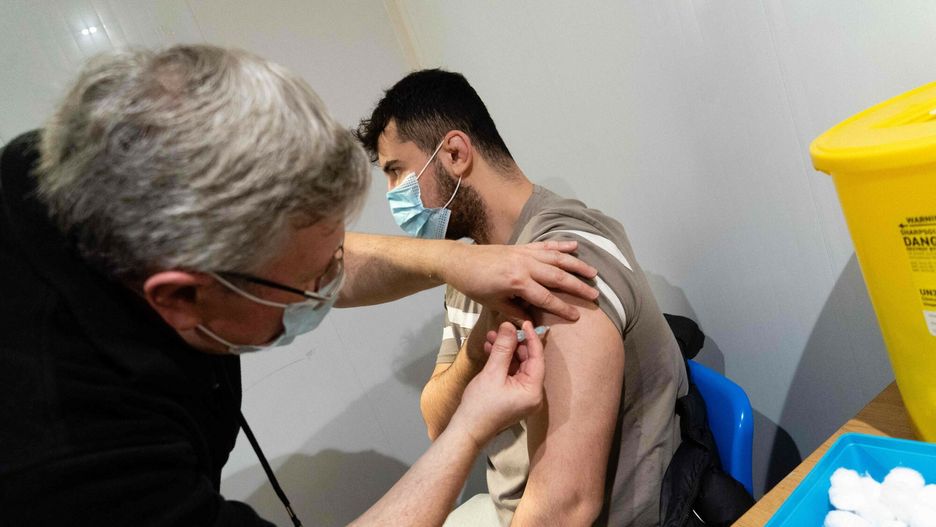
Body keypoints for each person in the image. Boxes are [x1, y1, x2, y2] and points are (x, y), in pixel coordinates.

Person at [0, 45, 602, 526]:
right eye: (311, 283)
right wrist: (469, 426)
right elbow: (449, 427)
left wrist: (449, 261)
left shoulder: (78, 164)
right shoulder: (69, 456)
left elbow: (567, 502)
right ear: (181, 296)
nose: (330, 286)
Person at [356, 69, 689, 526]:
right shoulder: (470, 268)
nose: (393, 195)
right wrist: (477, 349)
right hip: (507, 512)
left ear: (454, 153)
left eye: (397, 171)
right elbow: (437, 422)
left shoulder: (561, 257)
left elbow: (566, 507)